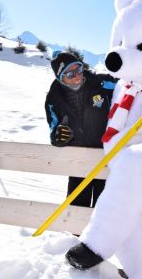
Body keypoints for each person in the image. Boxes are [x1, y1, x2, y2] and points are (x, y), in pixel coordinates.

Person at [45, 50, 117, 208]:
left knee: (104, 209)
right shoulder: (54, 98)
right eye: (70, 75)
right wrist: (58, 136)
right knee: (77, 210)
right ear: (61, 78)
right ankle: (75, 234)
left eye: (78, 69)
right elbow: (53, 129)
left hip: (105, 157)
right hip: (78, 160)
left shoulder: (102, 83)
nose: (77, 76)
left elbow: (129, 85)